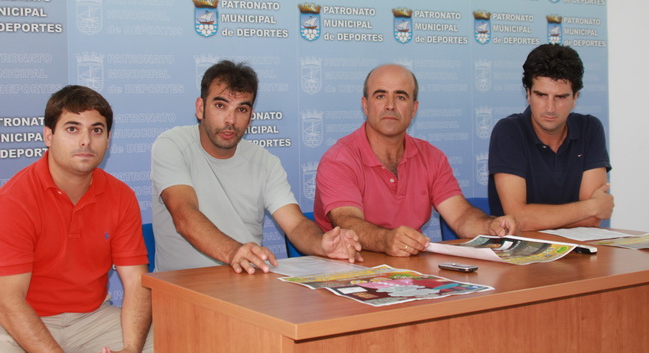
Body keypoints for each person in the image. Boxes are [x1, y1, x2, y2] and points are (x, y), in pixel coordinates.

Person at [151, 60, 362, 274]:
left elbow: (296, 225)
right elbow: (184, 215)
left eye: (241, 109)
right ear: (200, 108)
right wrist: (233, 251)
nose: (231, 120)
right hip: (180, 285)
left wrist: (322, 244)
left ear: (251, 117)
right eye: (220, 106)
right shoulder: (172, 145)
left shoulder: (266, 162)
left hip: (246, 280)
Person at [0, 86, 153, 353]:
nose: (86, 141)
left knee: (166, 340)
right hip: (23, 320)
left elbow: (136, 282)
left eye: (96, 130)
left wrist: (131, 348)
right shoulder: (15, 199)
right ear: (49, 136)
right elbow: (9, 302)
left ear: (108, 139)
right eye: (73, 129)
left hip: (92, 318)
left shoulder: (121, 196)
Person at [314, 64, 517, 256]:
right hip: (349, 266)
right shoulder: (339, 160)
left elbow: (460, 215)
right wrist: (386, 240)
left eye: (401, 97)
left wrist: (489, 226)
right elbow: (348, 222)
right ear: (365, 105)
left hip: (412, 266)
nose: (390, 105)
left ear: (414, 108)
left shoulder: (432, 157)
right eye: (380, 96)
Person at [488, 43, 614, 231]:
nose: (550, 108)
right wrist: (590, 207)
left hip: (578, 248)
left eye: (560, 97)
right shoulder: (509, 131)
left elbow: (593, 220)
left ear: (575, 98)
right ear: (528, 94)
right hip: (521, 248)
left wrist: (591, 212)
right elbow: (518, 219)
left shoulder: (590, 129)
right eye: (541, 95)